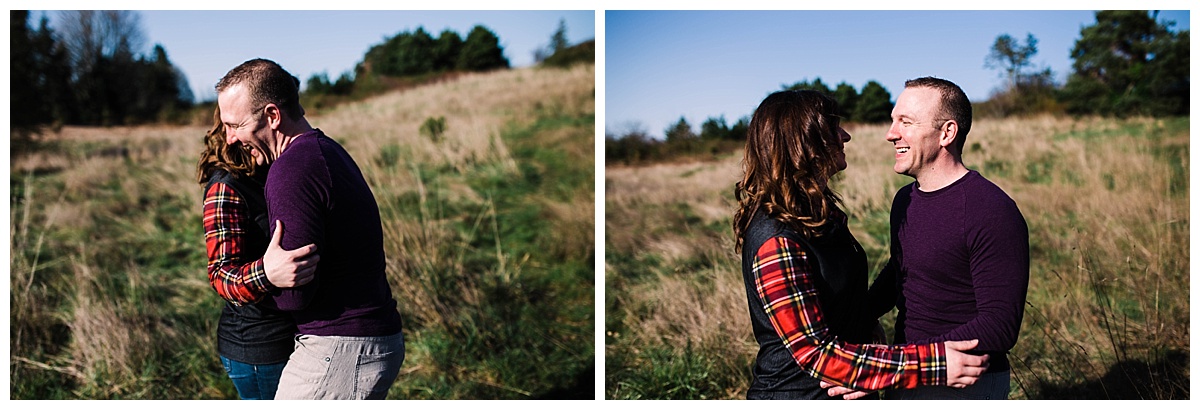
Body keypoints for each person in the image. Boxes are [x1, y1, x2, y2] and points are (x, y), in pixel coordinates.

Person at [733, 89, 990, 400]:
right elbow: (816, 355)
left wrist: (865, 326)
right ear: (805, 141)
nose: (845, 136)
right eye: (832, 127)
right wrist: (932, 363)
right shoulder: (777, 239)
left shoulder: (817, 215)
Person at [216, 58, 405, 400]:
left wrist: (267, 274)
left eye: (235, 125)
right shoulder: (326, 149)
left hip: (341, 347)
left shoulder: (290, 171)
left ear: (272, 116)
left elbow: (295, 294)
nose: (229, 139)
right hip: (367, 336)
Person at [863, 77, 1030, 400]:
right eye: (893, 120)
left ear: (947, 133)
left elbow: (1000, 325)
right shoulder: (904, 200)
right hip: (908, 373)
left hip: (963, 382)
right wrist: (856, 319)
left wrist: (914, 361)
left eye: (906, 122)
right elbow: (903, 271)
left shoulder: (990, 210)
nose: (890, 133)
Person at [196, 106, 320, 399]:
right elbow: (220, 275)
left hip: (295, 333)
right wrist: (266, 273)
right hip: (258, 348)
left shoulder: (274, 169)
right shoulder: (226, 187)